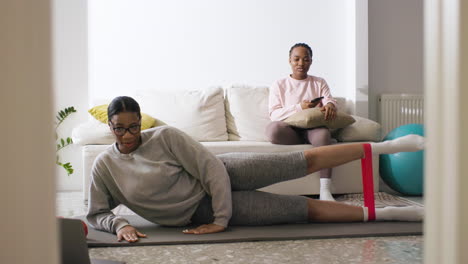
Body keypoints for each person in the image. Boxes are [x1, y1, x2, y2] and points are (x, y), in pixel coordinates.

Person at [87, 96, 424, 243]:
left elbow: (209, 169)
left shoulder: (165, 137)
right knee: (300, 210)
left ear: (140, 122)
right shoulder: (104, 166)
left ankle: (388, 147)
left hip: (226, 172)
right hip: (196, 211)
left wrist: (220, 221)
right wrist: (118, 224)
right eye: (120, 129)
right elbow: (96, 213)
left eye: (134, 127)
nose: (128, 135)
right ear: (111, 128)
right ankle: (391, 213)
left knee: (303, 160)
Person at [266, 43, 338, 201]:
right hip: (290, 130)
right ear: (289, 61)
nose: (301, 63)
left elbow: (329, 99)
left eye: (306, 59)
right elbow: (274, 114)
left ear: (311, 61)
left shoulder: (319, 82)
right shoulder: (279, 85)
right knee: (273, 130)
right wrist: (299, 107)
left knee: (322, 134)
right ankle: (314, 142)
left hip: (313, 129)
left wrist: (331, 105)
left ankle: (325, 190)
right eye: (296, 59)